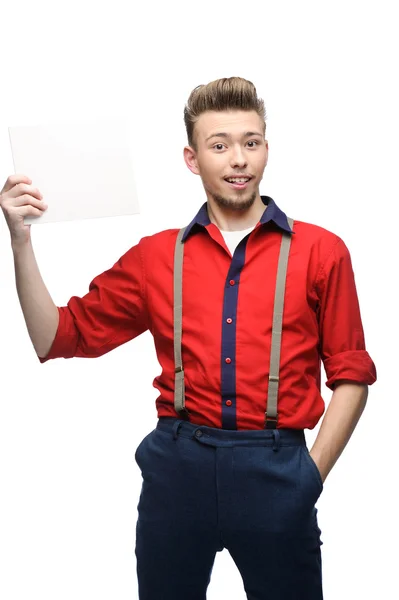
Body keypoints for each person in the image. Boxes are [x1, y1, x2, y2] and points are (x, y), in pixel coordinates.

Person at [1, 76, 377, 600]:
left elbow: (352, 375)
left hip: (277, 468)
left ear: (266, 147)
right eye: (219, 146)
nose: (238, 159)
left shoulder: (322, 251)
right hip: (177, 471)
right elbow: (56, 337)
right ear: (193, 158)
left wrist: (309, 476)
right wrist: (20, 241)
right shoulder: (157, 256)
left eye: (251, 142)